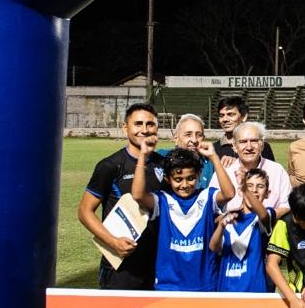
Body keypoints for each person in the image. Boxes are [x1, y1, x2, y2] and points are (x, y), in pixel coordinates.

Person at [78, 103, 166, 290]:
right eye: (138, 124)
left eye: (150, 124)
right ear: (125, 127)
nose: (144, 129)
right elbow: (85, 211)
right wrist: (112, 242)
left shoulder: (163, 164)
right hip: (121, 265)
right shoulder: (110, 166)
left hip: (159, 262)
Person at [131, 139, 234, 291]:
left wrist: (214, 157)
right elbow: (138, 195)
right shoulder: (162, 200)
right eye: (178, 180)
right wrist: (142, 157)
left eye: (191, 178)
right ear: (167, 179)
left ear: (198, 175)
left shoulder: (207, 196)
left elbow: (229, 193)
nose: (185, 185)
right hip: (169, 285)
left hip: (204, 284)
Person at [209, 167, 272, 292]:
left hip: (255, 291)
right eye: (250, 186)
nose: (254, 190)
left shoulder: (264, 216)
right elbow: (213, 247)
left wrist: (245, 188)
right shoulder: (228, 217)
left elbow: (263, 215)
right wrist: (221, 226)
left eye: (260, 186)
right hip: (226, 290)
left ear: (267, 193)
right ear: (239, 191)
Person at [211, 121, 291, 219]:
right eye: (243, 142)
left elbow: (286, 205)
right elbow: (212, 205)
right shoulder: (224, 173)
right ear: (235, 147)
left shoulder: (277, 171)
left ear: (261, 145)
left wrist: (264, 219)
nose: (249, 147)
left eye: (254, 141)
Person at [214, 95, 275, 162]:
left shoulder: (261, 146)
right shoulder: (214, 149)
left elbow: (270, 171)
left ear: (243, 117)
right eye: (221, 115)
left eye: (230, 114)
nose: (225, 119)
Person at [163, 114, 215, 191]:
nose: (194, 140)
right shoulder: (161, 157)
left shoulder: (210, 163)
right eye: (188, 134)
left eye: (199, 135)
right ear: (176, 138)